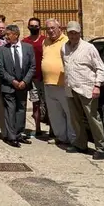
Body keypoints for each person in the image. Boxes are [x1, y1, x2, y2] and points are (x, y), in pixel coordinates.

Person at [61, 21, 104, 160]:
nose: (73, 36)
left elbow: (100, 67)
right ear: (67, 33)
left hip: (87, 88)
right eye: (70, 33)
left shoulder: (89, 48)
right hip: (71, 87)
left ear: (79, 33)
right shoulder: (64, 48)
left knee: (93, 118)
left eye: (75, 33)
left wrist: (97, 85)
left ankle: (101, 148)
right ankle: (81, 144)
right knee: (76, 118)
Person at [0, 24, 35, 148]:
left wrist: (25, 81)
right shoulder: (3, 49)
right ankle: (11, 137)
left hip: (23, 86)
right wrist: (12, 81)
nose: (6, 36)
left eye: (8, 34)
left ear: (16, 35)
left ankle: (19, 134)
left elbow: (32, 67)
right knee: (10, 111)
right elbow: (1, 69)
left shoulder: (28, 48)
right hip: (9, 86)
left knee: (21, 110)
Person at [42, 19, 75, 147]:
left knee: (68, 112)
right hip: (48, 82)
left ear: (59, 28)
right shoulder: (45, 42)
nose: (50, 31)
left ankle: (73, 139)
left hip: (63, 83)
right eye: (48, 28)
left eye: (53, 28)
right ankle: (61, 137)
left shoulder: (67, 41)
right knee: (55, 113)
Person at [23, 18, 47, 138]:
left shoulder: (45, 41)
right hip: (32, 78)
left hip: (45, 77)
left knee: (47, 104)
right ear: (28, 27)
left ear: (39, 27)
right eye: (31, 25)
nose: (33, 27)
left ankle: (52, 130)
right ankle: (37, 128)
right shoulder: (25, 41)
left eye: (36, 26)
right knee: (35, 103)